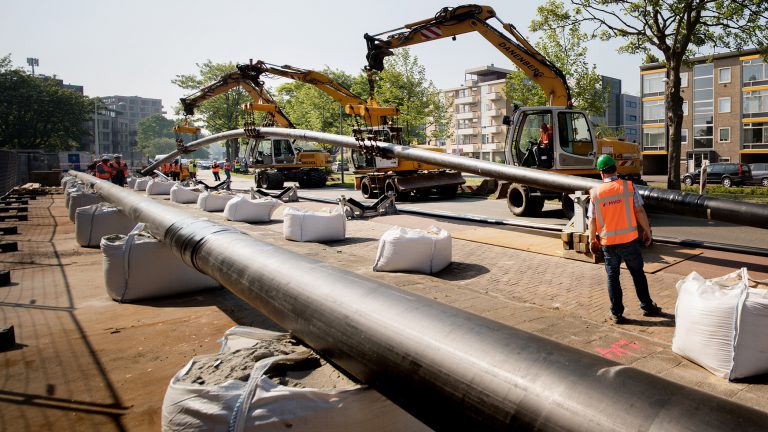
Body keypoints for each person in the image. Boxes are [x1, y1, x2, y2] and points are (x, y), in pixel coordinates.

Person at [588, 155, 662, 324]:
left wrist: (592, 240)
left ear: (601, 173)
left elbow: (592, 220)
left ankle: (617, 313)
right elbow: (639, 211)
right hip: (629, 242)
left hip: (608, 244)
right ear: (615, 169)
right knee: (637, 273)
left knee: (613, 277)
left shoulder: (596, 193)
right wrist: (647, 231)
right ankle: (647, 306)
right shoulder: (628, 187)